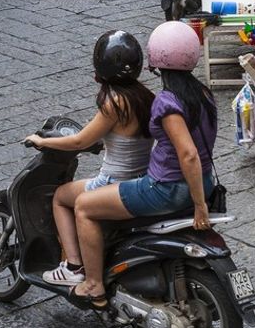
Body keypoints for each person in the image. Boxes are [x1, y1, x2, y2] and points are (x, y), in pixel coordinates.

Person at [71, 21, 218, 304]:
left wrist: (200, 206)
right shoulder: (203, 94)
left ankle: (93, 284)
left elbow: (187, 154)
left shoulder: (167, 102)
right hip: (204, 181)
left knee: (83, 206)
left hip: (166, 188)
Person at [24, 31, 154, 286]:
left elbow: (79, 141)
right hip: (141, 178)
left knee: (61, 197)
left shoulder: (114, 103)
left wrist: (42, 141)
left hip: (114, 182)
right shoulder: (145, 97)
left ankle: (73, 265)